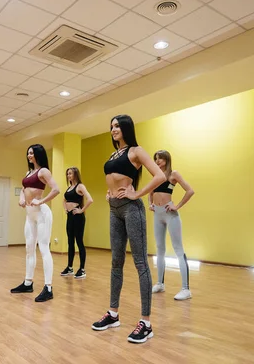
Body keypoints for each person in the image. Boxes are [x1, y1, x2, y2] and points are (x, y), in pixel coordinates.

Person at [91, 114, 166, 344]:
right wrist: (109, 193)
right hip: (114, 209)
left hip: (132, 209)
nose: (113, 129)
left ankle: (146, 323)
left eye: (117, 126)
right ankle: (113, 314)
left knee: (140, 262)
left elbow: (160, 175)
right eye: (111, 126)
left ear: (126, 128)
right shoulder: (114, 153)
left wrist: (137, 194)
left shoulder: (136, 150)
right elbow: (112, 179)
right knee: (116, 261)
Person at [10, 144, 60, 302]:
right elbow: (24, 189)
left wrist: (41, 201)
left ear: (38, 154)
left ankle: (48, 287)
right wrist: (21, 199)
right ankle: (28, 282)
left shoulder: (43, 171)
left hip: (42, 214)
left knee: (44, 248)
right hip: (29, 215)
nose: (29, 156)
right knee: (29, 249)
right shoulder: (28, 172)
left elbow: (56, 189)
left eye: (31, 153)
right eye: (28, 153)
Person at [149, 150, 195, 300]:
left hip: (170, 214)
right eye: (156, 159)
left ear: (167, 159)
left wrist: (177, 206)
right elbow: (150, 192)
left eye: (160, 159)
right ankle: (160, 284)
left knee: (178, 249)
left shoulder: (173, 174)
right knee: (160, 249)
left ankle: (186, 289)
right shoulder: (156, 175)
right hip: (158, 214)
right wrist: (151, 204)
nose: (157, 161)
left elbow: (190, 191)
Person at [61, 167, 93, 279]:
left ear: (75, 174)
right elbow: (64, 199)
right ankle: (69, 267)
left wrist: (81, 210)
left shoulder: (80, 186)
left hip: (78, 217)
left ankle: (82, 269)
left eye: (70, 173)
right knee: (70, 242)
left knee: (79, 242)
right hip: (70, 216)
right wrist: (65, 208)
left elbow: (90, 199)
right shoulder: (69, 188)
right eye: (67, 174)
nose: (68, 175)